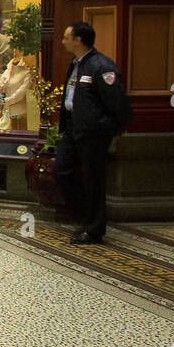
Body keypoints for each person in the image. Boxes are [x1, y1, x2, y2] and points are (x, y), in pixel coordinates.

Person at [55, 21, 131, 245]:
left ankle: (94, 229)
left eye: (66, 37)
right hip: (73, 129)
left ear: (78, 40)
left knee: (94, 180)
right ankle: (85, 215)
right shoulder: (76, 63)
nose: (63, 41)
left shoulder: (101, 66)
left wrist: (109, 127)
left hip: (94, 133)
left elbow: (117, 102)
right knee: (62, 171)